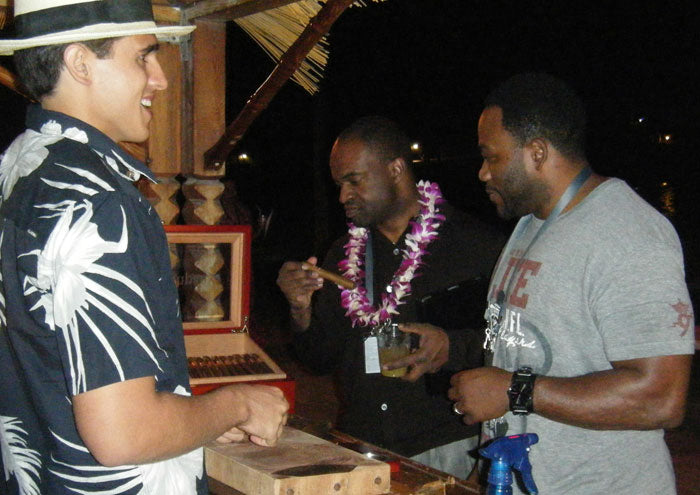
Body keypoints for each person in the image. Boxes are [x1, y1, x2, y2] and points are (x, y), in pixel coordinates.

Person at [0, 2, 288, 494]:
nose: (160, 79)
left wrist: (200, 419)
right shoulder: (99, 203)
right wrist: (237, 403)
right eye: (143, 57)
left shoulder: (19, 170)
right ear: (80, 64)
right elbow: (123, 433)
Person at [447, 73, 695, 494]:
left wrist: (513, 389)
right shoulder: (530, 225)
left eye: (492, 157)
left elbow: (662, 398)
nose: (483, 174)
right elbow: (518, 355)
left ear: (537, 152)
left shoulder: (627, 233)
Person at [277, 115, 505, 479]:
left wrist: (451, 345)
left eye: (353, 180)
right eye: (339, 184)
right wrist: (299, 308)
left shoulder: (474, 246)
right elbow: (319, 359)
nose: (343, 196)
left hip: (444, 446)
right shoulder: (341, 255)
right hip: (361, 445)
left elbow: (507, 345)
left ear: (396, 169)